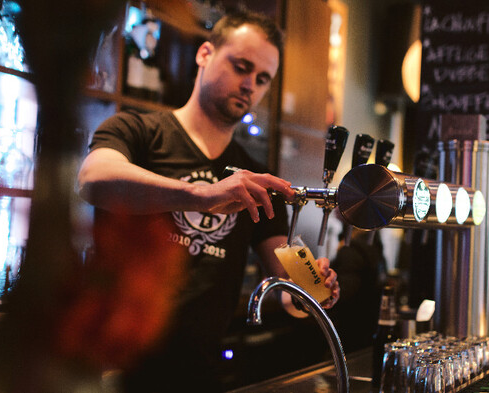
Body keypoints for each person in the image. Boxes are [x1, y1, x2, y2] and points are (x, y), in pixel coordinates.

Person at [77, 10, 340, 392]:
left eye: (263, 78)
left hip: (199, 374)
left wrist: (313, 289)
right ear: (204, 54)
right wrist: (202, 194)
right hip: (112, 367)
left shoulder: (254, 178)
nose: (250, 84)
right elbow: (92, 179)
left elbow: (286, 284)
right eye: (241, 66)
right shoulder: (135, 131)